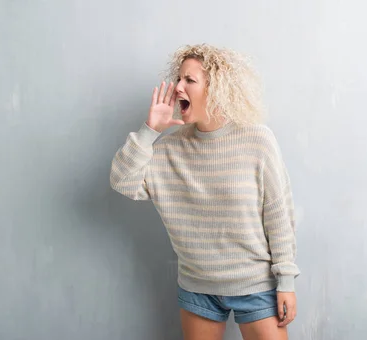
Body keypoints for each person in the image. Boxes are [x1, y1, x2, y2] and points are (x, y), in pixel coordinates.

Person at [109, 43, 300, 340]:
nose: (178, 87)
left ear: (217, 89)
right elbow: (122, 181)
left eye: (190, 80)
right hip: (197, 287)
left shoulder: (256, 139)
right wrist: (150, 130)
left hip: (256, 284)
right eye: (179, 79)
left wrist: (286, 281)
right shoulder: (169, 149)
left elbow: (278, 213)